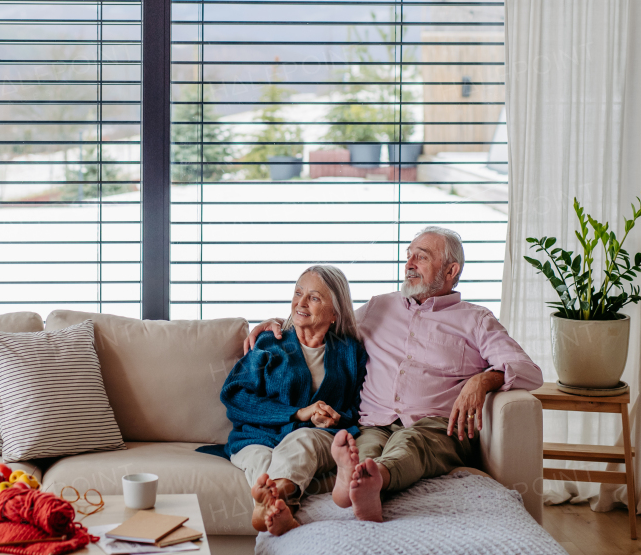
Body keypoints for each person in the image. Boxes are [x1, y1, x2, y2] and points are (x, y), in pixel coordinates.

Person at [244, 226, 542, 523]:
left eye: (421, 258)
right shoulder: (379, 306)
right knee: (359, 451)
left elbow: (528, 371)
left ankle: (374, 481)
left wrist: (483, 379)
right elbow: (327, 322)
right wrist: (278, 322)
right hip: (374, 423)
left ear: (452, 270)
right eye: (408, 256)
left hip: (436, 427)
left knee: (410, 443)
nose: (409, 264)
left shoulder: (476, 320)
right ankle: (351, 483)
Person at [199, 265, 367, 536]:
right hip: (258, 436)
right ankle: (277, 507)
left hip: (317, 436)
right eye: (297, 293)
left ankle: (266, 502)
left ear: (335, 313)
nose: (300, 303)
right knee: (259, 459)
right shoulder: (269, 343)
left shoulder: (350, 352)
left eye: (313, 298)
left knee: (302, 441)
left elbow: (356, 409)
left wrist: (334, 418)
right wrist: (297, 412)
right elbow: (234, 396)